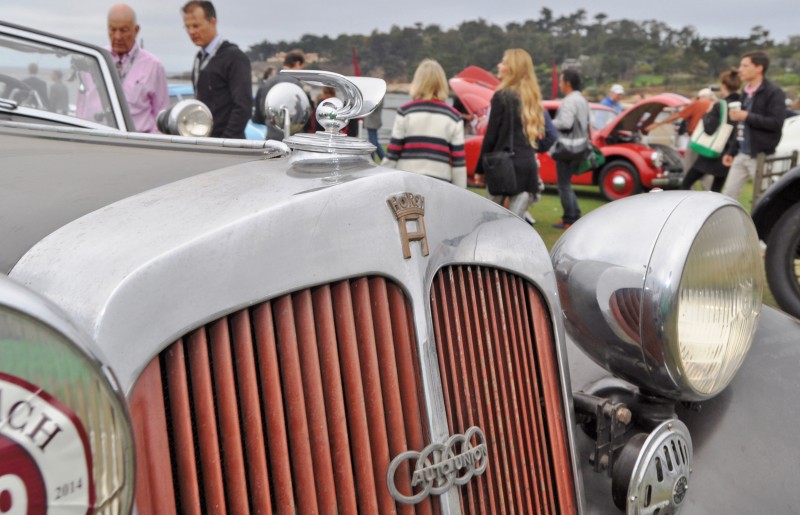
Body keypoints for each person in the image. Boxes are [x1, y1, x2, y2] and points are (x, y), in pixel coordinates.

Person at [474, 48, 553, 220]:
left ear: (512, 69)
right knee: (516, 224)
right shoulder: (532, 99)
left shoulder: (502, 96)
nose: (499, 65)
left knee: (489, 220)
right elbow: (550, 136)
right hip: (528, 166)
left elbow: (491, 137)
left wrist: (480, 169)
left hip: (504, 166)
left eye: (503, 62)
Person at [382, 59, 466, 187]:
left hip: (407, 182)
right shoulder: (454, 117)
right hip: (440, 184)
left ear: (417, 82)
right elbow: (458, 161)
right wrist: (461, 191)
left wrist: (382, 180)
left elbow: (393, 153)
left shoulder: (405, 112)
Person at [721, 51, 786, 200]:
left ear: (759, 68)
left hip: (761, 156)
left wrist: (747, 116)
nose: (740, 69)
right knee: (728, 196)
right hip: (741, 154)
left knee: (764, 200)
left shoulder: (774, 92)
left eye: (745, 65)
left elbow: (776, 123)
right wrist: (731, 151)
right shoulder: (744, 92)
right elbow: (740, 126)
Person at [182, 0, 252, 139]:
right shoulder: (199, 57)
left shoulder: (234, 57)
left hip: (226, 146)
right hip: (204, 141)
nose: (191, 32)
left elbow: (243, 107)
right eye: (187, 27)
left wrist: (225, 142)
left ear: (212, 22)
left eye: (196, 25)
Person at [106, 4, 168, 133]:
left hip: (138, 143)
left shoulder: (153, 66)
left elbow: (162, 115)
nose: (117, 36)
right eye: (112, 29)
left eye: (123, 30)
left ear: (136, 30)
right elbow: (84, 109)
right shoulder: (98, 59)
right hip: (101, 140)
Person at [681, 68, 742, 192]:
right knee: (716, 190)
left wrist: (707, 114)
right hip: (730, 151)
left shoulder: (720, 105)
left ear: (724, 86)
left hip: (712, 152)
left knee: (686, 184)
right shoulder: (743, 103)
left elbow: (709, 129)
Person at [551, 68, 590, 229]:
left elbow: (565, 123)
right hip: (580, 146)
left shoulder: (569, 101)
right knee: (567, 184)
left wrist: (548, 124)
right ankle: (575, 214)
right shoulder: (582, 99)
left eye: (561, 81)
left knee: (563, 185)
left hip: (567, 148)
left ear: (567, 83)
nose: (560, 84)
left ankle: (569, 218)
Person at [646, 87, 715, 175]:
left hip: (696, 137)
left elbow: (678, 115)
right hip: (710, 139)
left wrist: (657, 124)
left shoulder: (698, 104)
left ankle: (687, 185)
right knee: (705, 163)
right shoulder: (715, 104)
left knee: (688, 163)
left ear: (701, 96)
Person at [252, 49, 310, 140]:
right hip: (293, 139)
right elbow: (302, 113)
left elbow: (259, 113)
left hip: (271, 138)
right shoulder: (297, 84)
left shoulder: (268, 82)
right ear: (298, 63)